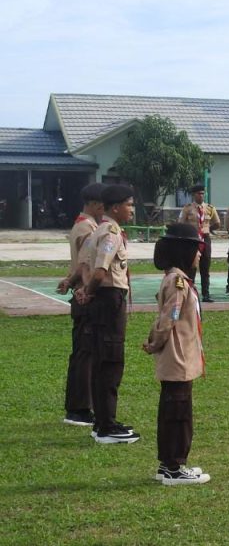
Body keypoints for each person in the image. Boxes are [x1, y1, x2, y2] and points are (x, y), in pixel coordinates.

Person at [142, 223, 212, 486]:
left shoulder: (175, 278)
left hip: (179, 356)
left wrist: (153, 339)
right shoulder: (178, 282)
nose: (200, 254)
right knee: (178, 414)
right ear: (184, 251)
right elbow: (169, 317)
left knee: (173, 410)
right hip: (178, 356)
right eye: (197, 249)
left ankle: (168, 465)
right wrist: (155, 341)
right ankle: (174, 467)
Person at [79, 184, 140, 444]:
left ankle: (102, 422)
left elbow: (85, 265)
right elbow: (100, 272)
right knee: (111, 362)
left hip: (102, 299)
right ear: (115, 208)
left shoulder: (98, 230)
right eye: (129, 205)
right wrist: (90, 291)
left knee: (101, 360)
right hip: (109, 299)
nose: (132, 210)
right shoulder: (111, 233)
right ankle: (107, 426)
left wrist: (87, 291)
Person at [56, 182, 107, 427]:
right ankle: (79, 408)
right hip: (85, 296)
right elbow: (85, 265)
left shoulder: (83, 225)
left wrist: (68, 280)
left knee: (83, 352)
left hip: (80, 292)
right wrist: (79, 285)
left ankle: (79, 406)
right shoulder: (88, 229)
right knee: (85, 354)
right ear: (95, 204)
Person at [177, 184, 221, 303]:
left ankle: (206, 293)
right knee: (191, 267)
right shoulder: (188, 208)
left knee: (205, 267)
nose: (201, 196)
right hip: (192, 240)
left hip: (205, 239)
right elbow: (181, 223)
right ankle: (190, 293)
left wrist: (208, 229)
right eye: (198, 193)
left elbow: (217, 223)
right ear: (193, 195)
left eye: (202, 193)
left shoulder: (210, 208)